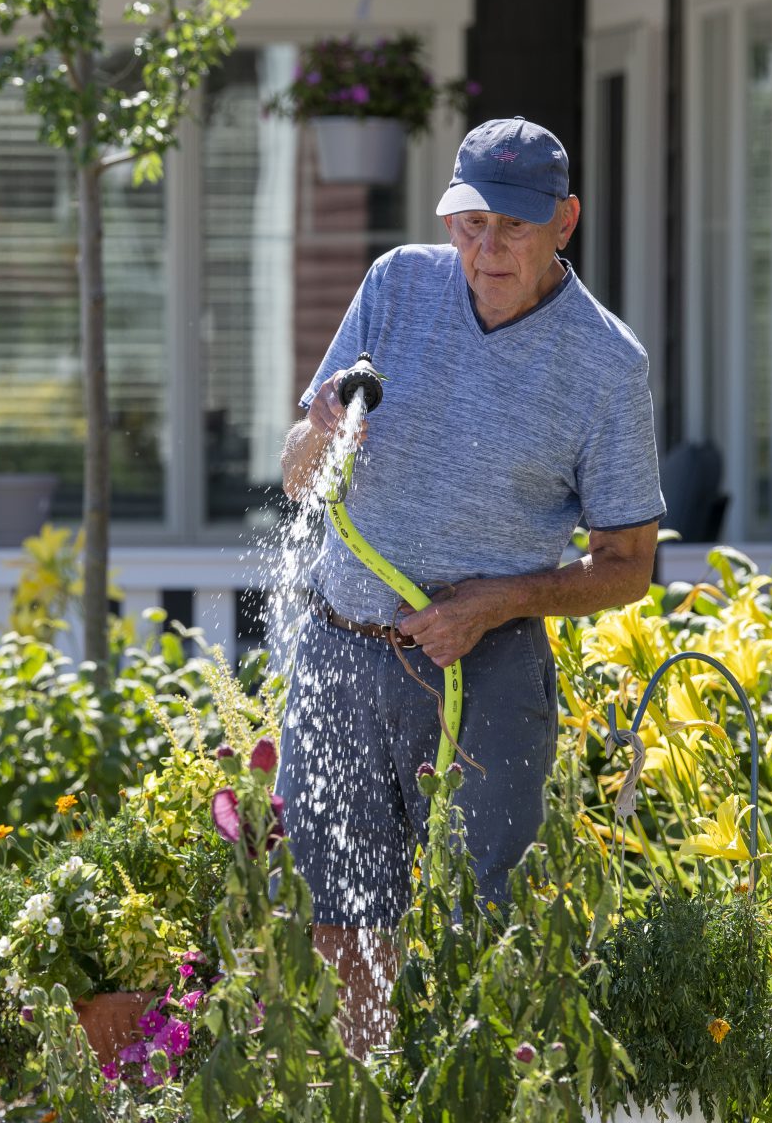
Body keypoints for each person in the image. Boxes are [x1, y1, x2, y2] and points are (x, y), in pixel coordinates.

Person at [275, 116, 664, 1049]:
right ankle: (353, 1122)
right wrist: (323, 428)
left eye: (513, 228)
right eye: (470, 223)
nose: (485, 249)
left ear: (565, 220)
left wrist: (496, 602)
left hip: (483, 675)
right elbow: (295, 475)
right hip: (340, 651)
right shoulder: (397, 286)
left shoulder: (606, 367)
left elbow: (629, 566)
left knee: (477, 919)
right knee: (332, 906)